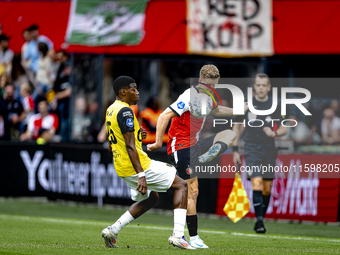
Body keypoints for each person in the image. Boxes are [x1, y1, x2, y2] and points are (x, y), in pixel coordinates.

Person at [147, 65, 240, 249]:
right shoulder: (189, 95)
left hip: (195, 145)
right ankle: (192, 237)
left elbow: (217, 110)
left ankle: (208, 156)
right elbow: (165, 115)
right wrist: (158, 142)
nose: (209, 89)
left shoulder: (212, 95)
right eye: (207, 86)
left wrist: (239, 109)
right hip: (180, 145)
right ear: (200, 81)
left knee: (229, 134)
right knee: (193, 190)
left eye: (213, 86)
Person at [101, 76, 195, 250]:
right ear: (123, 92)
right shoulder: (126, 112)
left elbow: (111, 144)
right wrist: (141, 175)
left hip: (122, 167)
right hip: (137, 166)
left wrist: (137, 136)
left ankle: (112, 231)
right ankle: (178, 236)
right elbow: (130, 147)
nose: (137, 93)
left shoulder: (111, 110)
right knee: (182, 185)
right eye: (133, 89)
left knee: (152, 198)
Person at [232, 73, 287, 234]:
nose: (261, 88)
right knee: (256, 181)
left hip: (269, 148)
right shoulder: (247, 105)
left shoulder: (276, 105)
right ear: (254, 87)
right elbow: (236, 127)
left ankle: (261, 217)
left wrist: (274, 133)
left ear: (269, 87)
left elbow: (284, 129)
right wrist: (235, 150)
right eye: (258, 85)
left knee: (267, 187)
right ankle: (260, 221)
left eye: (264, 85)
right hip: (251, 147)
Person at [51, 50, 71, 141]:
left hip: (69, 103)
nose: (60, 60)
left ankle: (65, 142)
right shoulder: (60, 68)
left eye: (61, 58)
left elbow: (70, 90)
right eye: (58, 58)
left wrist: (57, 96)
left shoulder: (70, 67)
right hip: (60, 102)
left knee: (66, 124)